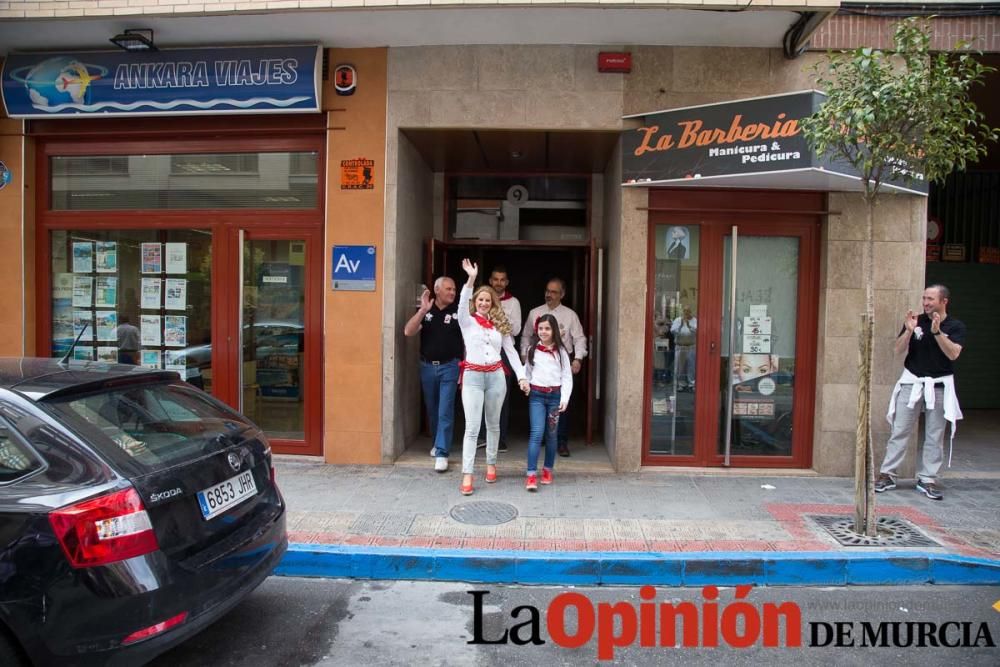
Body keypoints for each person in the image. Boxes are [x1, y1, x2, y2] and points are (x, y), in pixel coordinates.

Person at [875, 285, 965, 501]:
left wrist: (937, 332)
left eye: (931, 299)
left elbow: (953, 354)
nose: (925, 302)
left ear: (944, 301)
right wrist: (908, 330)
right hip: (912, 381)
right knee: (900, 429)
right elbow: (897, 350)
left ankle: (927, 478)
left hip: (939, 385)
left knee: (935, 434)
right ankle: (887, 474)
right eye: (924, 298)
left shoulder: (955, 326)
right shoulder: (916, 321)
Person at [457, 259, 529, 496]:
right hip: (473, 376)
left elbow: (510, 352)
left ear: (493, 302)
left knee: (493, 424)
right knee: (472, 427)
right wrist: (470, 278)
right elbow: (462, 302)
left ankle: (491, 465)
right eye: (481, 300)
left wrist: (521, 377)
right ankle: (467, 474)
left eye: (488, 300)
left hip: (496, 376)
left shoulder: (499, 324)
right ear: (475, 302)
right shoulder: (466, 322)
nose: (485, 303)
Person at [521, 278, 587, 457]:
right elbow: (526, 336)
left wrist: (578, 359)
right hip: (538, 361)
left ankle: (562, 441)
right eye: (547, 291)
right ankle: (541, 435)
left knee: (561, 404)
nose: (549, 294)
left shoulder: (570, 315)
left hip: (562, 362)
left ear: (562, 294)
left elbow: (579, 339)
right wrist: (524, 354)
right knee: (538, 400)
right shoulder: (535, 312)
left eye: (554, 292)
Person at [404, 276, 463, 473]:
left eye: (454, 289)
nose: (452, 292)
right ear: (437, 290)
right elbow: (408, 331)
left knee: (445, 409)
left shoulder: (458, 312)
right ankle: (438, 443)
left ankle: (442, 453)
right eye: (448, 289)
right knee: (433, 408)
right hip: (428, 367)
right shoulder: (426, 312)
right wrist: (422, 310)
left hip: (450, 366)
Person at [523, 314, 572, 491]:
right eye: (541, 328)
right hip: (536, 396)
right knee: (536, 433)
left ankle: (547, 470)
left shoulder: (561, 351)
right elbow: (527, 372)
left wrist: (565, 398)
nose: (544, 332)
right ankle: (530, 475)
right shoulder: (532, 349)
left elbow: (567, 376)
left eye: (548, 328)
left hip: (554, 397)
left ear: (554, 331)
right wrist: (525, 384)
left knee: (552, 435)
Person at [477, 265, 522, 453]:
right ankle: (481, 436)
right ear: (490, 280)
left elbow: (517, 330)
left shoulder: (513, 302)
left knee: (500, 396)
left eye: (502, 279)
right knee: (480, 393)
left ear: (507, 282)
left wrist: (500, 319)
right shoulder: (481, 299)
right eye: (495, 279)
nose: (499, 283)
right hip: (481, 349)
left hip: (504, 350)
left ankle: (500, 438)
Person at [671, 306, 697, 391]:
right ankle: (681, 384)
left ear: (690, 312)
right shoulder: (678, 320)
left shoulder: (694, 320)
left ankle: (691, 384)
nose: (686, 313)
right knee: (679, 366)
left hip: (691, 346)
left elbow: (697, 331)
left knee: (691, 366)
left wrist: (689, 326)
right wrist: (681, 325)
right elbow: (673, 331)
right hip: (680, 346)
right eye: (685, 311)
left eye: (688, 311)